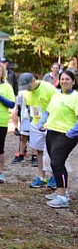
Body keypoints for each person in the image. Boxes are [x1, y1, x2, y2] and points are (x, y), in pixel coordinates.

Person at [37, 70, 78, 208]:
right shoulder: (56, 95)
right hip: (51, 132)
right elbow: (48, 111)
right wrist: (42, 122)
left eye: (67, 79)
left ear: (73, 81)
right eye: (62, 79)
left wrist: (71, 132)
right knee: (54, 163)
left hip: (65, 135)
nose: (64, 81)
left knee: (57, 163)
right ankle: (61, 191)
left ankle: (62, 198)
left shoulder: (75, 97)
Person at [18, 72, 58, 189]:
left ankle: (54, 177)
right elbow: (31, 108)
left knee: (52, 152)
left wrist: (49, 122)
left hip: (50, 124)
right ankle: (42, 177)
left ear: (33, 81)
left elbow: (57, 106)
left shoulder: (49, 88)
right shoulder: (26, 93)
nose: (27, 90)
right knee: (39, 151)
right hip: (36, 124)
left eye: (28, 86)